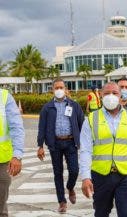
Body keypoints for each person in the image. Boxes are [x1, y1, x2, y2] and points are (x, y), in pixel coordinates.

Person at [80, 82, 127, 217]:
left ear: (120, 97)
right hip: (100, 176)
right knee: (101, 213)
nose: (110, 96)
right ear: (100, 96)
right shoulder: (91, 119)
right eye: (106, 93)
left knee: (126, 213)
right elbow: (85, 151)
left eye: (114, 93)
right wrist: (85, 177)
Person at [37, 78, 85, 213]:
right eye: (56, 88)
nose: (59, 90)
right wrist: (40, 145)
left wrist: (84, 141)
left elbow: (82, 123)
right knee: (57, 173)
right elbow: (42, 127)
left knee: (74, 170)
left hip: (71, 142)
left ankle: (70, 187)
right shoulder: (47, 107)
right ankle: (62, 201)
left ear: (65, 89)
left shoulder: (74, 105)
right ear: (52, 90)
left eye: (61, 87)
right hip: (55, 143)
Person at [0, 88, 25, 217]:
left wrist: (17, 155)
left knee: (0, 204)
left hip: (2, 162)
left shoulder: (4, 97)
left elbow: (16, 127)